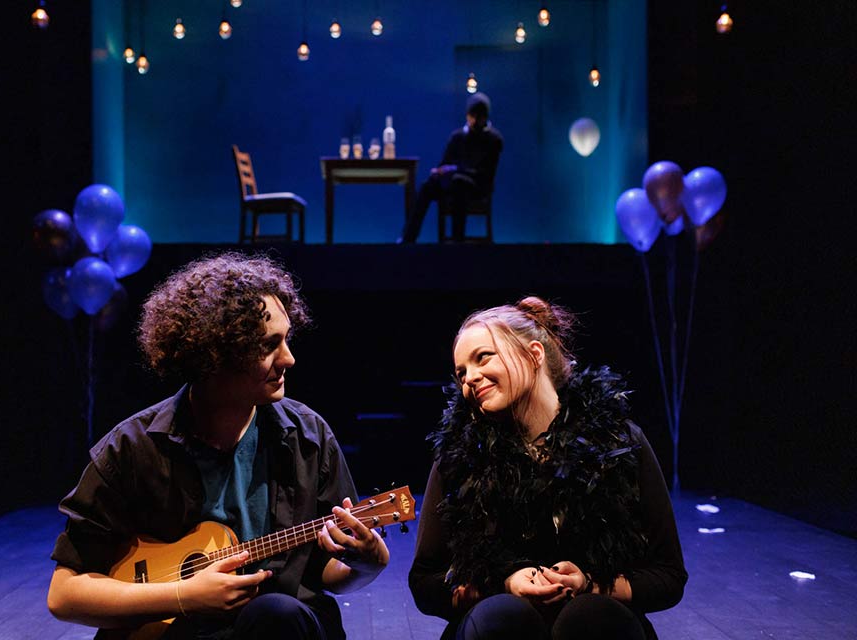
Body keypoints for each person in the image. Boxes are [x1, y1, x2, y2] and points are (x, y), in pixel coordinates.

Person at [47, 252, 389, 640]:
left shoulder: (308, 437)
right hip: (174, 633)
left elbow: (326, 571)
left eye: (287, 339)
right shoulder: (132, 449)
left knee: (276, 612)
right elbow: (64, 594)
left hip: (279, 628)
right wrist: (182, 597)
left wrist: (366, 563)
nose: (289, 358)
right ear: (215, 355)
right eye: (269, 345)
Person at [409, 297, 687, 640]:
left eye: (483, 358)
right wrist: (504, 584)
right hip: (498, 625)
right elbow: (424, 581)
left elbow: (669, 575)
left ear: (534, 354)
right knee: (504, 618)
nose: (470, 380)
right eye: (461, 373)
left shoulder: (620, 441)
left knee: (591, 618)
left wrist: (592, 587)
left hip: (599, 620)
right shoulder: (459, 455)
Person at [399, 92, 503, 243]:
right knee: (428, 186)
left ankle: (457, 241)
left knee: (459, 182)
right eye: (472, 116)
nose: (474, 121)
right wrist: (440, 172)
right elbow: (444, 163)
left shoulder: (494, 140)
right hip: (453, 181)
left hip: (476, 186)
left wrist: (455, 170)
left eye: (478, 117)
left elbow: (485, 173)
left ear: (485, 117)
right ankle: (408, 238)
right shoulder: (458, 136)